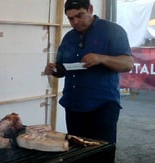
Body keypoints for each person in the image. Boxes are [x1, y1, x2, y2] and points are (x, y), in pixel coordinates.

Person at [43, 0, 134, 143]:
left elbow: (128, 64)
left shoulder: (113, 31)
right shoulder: (68, 37)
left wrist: (101, 58)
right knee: (77, 151)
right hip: (73, 105)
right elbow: (62, 69)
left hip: (102, 106)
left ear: (90, 9)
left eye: (80, 15)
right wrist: (54, 69)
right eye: (70, 18)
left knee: (100, 153)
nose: (75, 22)